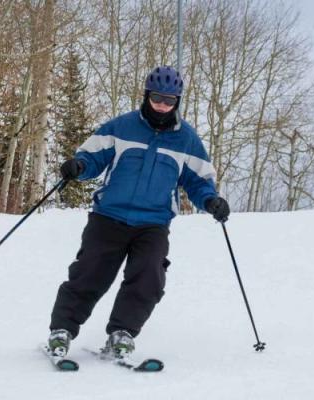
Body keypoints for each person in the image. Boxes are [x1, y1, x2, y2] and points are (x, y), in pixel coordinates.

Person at [46, 66, 230, 360]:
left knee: (149, 277)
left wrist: (211, 201)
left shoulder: (186, 140)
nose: (162, 105)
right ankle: (62, 331)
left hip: (153, 223)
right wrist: (79, 166)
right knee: (89, 274)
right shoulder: (122, 127)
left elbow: (198, 180)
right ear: (147, 95)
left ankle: (122, 333)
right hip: (109, 217)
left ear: (178, 101)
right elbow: (92, 157)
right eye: (157, 98)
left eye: (170, 100)